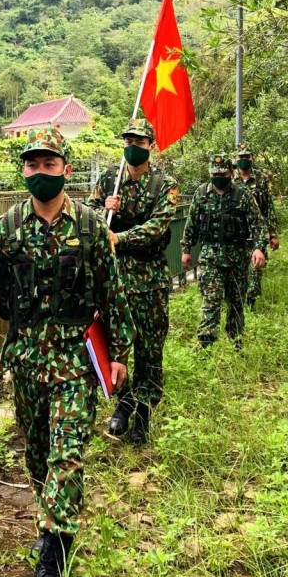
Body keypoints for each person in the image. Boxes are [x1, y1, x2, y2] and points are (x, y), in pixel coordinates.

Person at [0, 126, 134, 577]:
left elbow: (112, 292)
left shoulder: (89, 227)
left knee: (67, 455)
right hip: (25, 358)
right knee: (39, 455)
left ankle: (53, 555)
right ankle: (51, 527)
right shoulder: (7, 228)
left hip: (73, 360)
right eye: (32, 164)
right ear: (24, 170)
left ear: (66, 169)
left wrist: (122, 353)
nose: (40, 172)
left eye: (49, 164)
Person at [88, 118, 178, 445]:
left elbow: (156, 227)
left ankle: (144, 415)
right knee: (118, 346)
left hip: (150, 279)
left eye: (139, 142)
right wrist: (103, 212)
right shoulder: (110, 179)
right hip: (116, 279)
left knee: (149, 350)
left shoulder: (164, 184)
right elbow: (89, 216)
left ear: (150, 147)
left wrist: (119, 237)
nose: (132, 147)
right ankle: (123, 406)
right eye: (128, 140)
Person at [180, 153, 268, 350]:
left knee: (236, 302)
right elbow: (191, 223)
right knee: (211, 301)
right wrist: (186, 250)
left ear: (231, 172)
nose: (219, 177)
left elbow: (258, 224)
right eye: (215, 174)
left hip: (237, 257)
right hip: (210, 258)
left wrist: (258, 248)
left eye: (223, 173)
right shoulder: (202, 193)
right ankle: (206, 344)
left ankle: (236, 341)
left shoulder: (243, 194)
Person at [233, 143, 280, 310]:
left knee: (255, 270)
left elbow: (268, 207)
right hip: (236, 233)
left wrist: (272, 234)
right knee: (237, 270)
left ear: (252, 158)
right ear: (235, 159)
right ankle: (236, 302)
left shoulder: (261, 179)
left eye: (247, 157)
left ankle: (251, 305)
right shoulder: (230, 179)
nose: (244, 160)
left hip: (257, 232)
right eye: (241, 157)